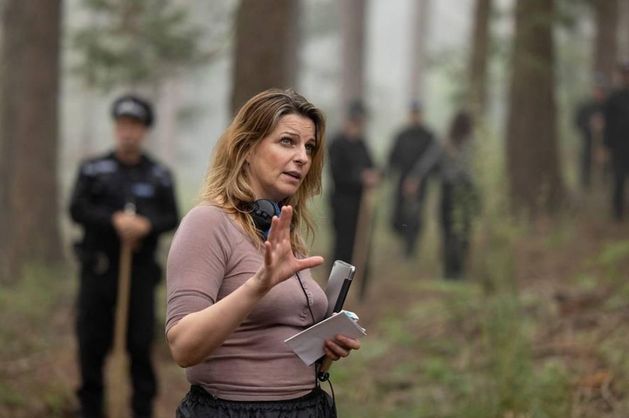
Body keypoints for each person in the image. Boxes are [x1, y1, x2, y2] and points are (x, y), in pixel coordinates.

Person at [165, 89, 361, 418]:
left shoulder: (281, 227)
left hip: (307, 408)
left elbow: (277, 333)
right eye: (287, 141)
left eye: (309, 147)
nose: (302, 157)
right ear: (246, 149)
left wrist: (325, 344)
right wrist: (259, 284)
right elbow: (183, 347)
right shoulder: (208, 223)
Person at [69, 94, 179, 418]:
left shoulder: (158, 175)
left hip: (140, 274)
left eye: (135, 126)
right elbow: (77, 209)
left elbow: (171, 216)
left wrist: (146, 225)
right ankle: (91, 409)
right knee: (91, 344)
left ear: (144, 130)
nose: (128, 132)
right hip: (98, 272)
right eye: (123, 125)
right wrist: (113, 220)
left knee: (140, 344)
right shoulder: (93, 170)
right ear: (116, 127)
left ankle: (141, 409)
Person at [404, 111, 479, 280]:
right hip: (462, 191)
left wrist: (415, 177)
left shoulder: (449, 142)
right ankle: (456, 270)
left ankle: (452, 270)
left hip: (452, 190)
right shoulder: (467, 143)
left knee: (451, 231)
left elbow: (428, 162)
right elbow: (430, 161)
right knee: (459, 230)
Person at [328, 100, 379, 266]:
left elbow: (372, 166)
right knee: (343, 244)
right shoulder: (337, 143)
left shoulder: (361, 144)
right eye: (356, 121)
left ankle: (359, 279)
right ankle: (339, 280)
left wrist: (374, 175)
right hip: (343, 202)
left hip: (361, 202)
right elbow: (338, 174)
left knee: (361, 244)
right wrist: (360, 178)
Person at [387, 101, 437, 258]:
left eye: (418, 113)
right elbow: (392, 159)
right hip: (402, 181)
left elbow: (434, 163)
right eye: (413, 113)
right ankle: (404, 242)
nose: (415, 116)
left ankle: (410, 249)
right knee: (397, 217)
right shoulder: (401, 135)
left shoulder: (429, 136)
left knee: (414, 217)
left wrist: (418, 179)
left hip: (420, 184)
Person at [603, 62, 629, 221]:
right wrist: (606, 146)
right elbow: (608, 124)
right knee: (618, 179)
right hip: (619, 147)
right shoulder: (613, 98)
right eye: (625, 74)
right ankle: (617, 213)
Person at [574, 76, 607, 190]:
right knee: (586, 165)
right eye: (597, 90)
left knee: (605, 166)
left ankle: (603, 187)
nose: (599, 93)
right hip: (588, 141)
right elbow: (578, 123)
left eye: (601, 90)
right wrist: (590, 125)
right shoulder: (586, 107)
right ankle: (586, 187)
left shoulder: (608, 107)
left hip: (605, 143)